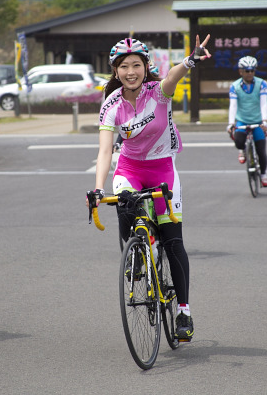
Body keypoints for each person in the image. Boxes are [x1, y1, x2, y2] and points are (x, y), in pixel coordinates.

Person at [89, 34, 211, 342]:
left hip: (162, 171)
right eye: (124, 67)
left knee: (172, 241)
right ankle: (137, 255)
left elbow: (173, 75)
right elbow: (105, 152)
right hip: (130, 168)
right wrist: (97, 189)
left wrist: (190, 61)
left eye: (136, 65)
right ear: (115, 72)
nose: (130, 72)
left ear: (146, 67)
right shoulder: (111, 105)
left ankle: (183, 310)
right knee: (125, 203)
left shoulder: (159, 93)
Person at [226, 56, 267, 187]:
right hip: (242, 120)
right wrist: (231, 123)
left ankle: (263, 174)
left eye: (252, 71)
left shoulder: (261, 83)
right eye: (246, 71)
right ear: (241, 72)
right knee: (239, 141)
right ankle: (242, 150)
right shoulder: (235, 86)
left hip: (258, 120)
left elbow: (263, 104)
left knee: (261, 150)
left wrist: (264, 120)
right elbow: (233, 106)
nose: (250, 73)